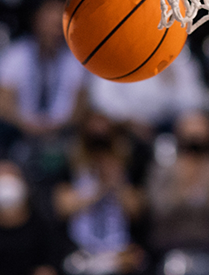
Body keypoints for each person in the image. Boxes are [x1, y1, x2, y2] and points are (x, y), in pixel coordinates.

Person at [0, 0, 88, 159]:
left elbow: (80, 110)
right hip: (20, 135)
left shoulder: (77, 61)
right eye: (49, 24)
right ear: (35, 21)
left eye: (58, 25)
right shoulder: (13, 56)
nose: (53, 31)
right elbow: (1, 106)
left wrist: (54, 128)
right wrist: (27, 126)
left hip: (63, 137)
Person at [52, 110, 143, 274]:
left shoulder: (128, 167)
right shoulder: (71, 167)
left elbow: (136, 211)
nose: (99, 150)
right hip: (80, 250)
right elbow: (62, 208)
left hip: (120, 249)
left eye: (104, 141)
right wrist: (98, 188)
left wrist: (117, 182)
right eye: (94, 141)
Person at [145, 110, 209, 254]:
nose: (196, 136)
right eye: (191, 129)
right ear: (179, 133)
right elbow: (158, 210)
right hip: (171, 246)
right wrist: (183, 186)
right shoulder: (163, 170)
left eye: (200, 128)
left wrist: (207, 191)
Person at [0, 161, 58, 275]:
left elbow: (51, 264)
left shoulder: (44, 227)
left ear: (25, 184)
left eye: (11, 176)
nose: (5, 182)